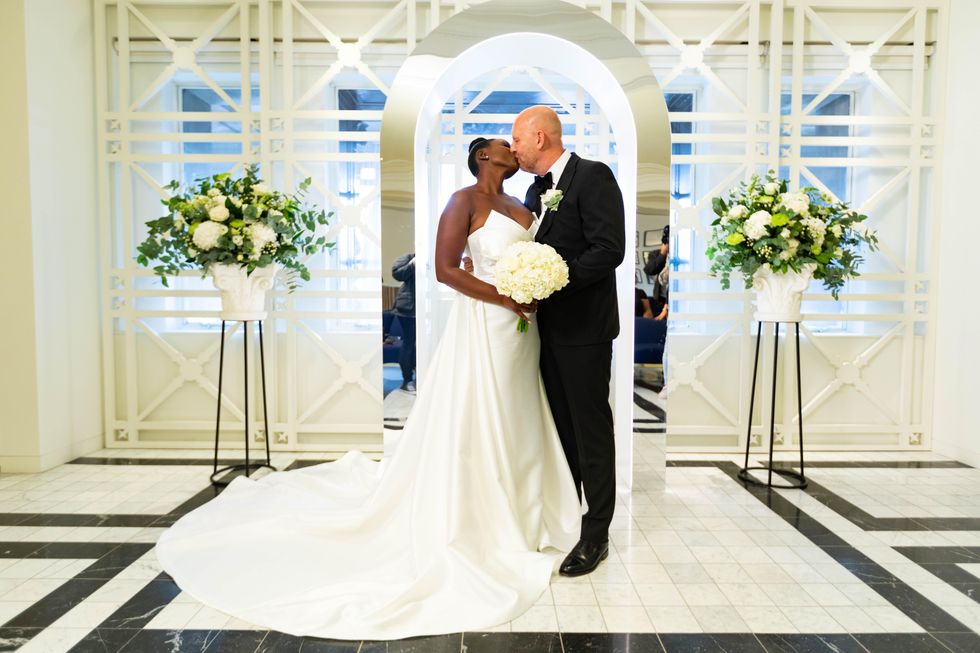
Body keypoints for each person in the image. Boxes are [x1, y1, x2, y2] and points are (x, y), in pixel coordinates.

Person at [153, 137, 580, 640]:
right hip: (487, 322)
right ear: (483, 157)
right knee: (480, 413)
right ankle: (483, 514)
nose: (512, 148)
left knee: (519, 414)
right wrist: (505, 297)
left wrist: (531, 291)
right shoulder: (463, 200)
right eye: (502, 145)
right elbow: (445, 270)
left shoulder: (523, 204)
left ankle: (526, 511)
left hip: (522, 331)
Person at [511, 106, 626, 577]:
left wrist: (552, 280)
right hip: (545, 333)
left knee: (591, 431)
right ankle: (566, 518)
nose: (512, 147)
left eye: (516, 139)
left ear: (539, 137)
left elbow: (608, 249)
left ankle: (596, 534)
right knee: (560, 431)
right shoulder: (532, 192)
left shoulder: (592, 176)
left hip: (585, 330)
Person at [390, 252, 416, 392]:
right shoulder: (407, 258)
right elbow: (397, 275)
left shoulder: (434, 258)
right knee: (409, 344)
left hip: (426, 308)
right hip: (407, 308)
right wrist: (412, 264)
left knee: (422, 345)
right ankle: (407, 379)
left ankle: (420, 376)